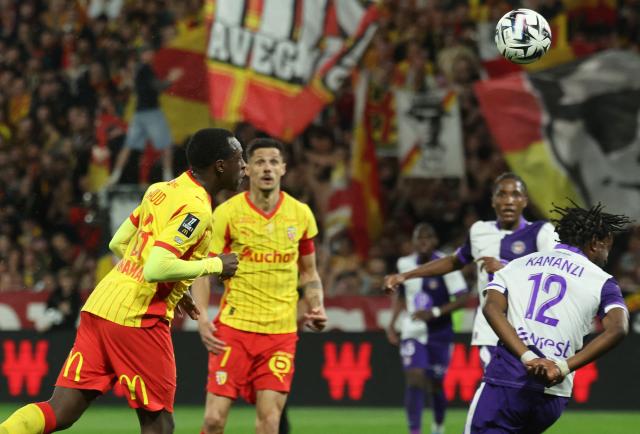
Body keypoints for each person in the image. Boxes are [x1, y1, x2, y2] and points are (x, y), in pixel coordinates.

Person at [0, 128, 245, 434]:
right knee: (159, 423)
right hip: (138, 318)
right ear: (220, 165)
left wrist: (176, 285)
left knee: (59, 410)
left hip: (101, 307)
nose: (244, 166)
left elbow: (118, 243)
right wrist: (215, 264)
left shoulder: (161, 189)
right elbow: (155, 268)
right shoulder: (197, 207)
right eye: (240, 158)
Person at [192, 137, 328, 434]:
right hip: (234, 329)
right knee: (214, 420)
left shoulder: (301, 214)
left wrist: (317, 305)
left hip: (280, 334)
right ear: (247, 169)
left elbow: (310, 273)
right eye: (259, 162)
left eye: (273, 162)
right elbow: (204, 270)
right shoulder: (227, 213)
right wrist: (202, 317)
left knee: (270, 423)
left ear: (283, 169)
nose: (267, 168)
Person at [465, 202, 630, 433]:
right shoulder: (603, 281)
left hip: (508, 380)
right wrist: (562, 367)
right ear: (594, 244)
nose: (606, 256)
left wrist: (527, 357)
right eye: (607, 247)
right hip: (553, 394)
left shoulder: (515, 266)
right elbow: (619, 328)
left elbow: (492, 309)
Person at [384, 172, 558, 369]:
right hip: (490, 331)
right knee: (494, 390)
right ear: (492, 200)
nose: (509, 201)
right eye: (502, 194)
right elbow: (453, 261)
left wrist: (507, 269)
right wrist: (405, 275)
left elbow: (555, 276)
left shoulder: (542, 233)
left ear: (525, 201)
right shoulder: (479, 231)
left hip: (531, 331)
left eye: (516, 195)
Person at [386, 223, 470, 434]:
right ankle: (415, 431)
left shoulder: (447, 263)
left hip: (439, 332)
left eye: (428, 237)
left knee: (436, 384)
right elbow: (402, 295)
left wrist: (434, 313)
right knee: (415, 377)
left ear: (434, 241)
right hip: (412, 330)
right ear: (413, 242)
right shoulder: (404, 263)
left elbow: (463, 298)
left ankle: (438, 426)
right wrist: (392, 323)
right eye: (419, 237)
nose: (423, 241)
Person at [108, 44, 183, 186]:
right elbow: (158, 87)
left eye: (151, 52)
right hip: (151, 112)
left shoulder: (139, 70)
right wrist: (171, 79)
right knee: (166, 145)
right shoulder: (145, 68)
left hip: (139, 113)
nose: (151, 55)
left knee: (128, 146)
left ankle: (114, 177)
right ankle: (169, 178)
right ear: (142, 55)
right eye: (147, 53)